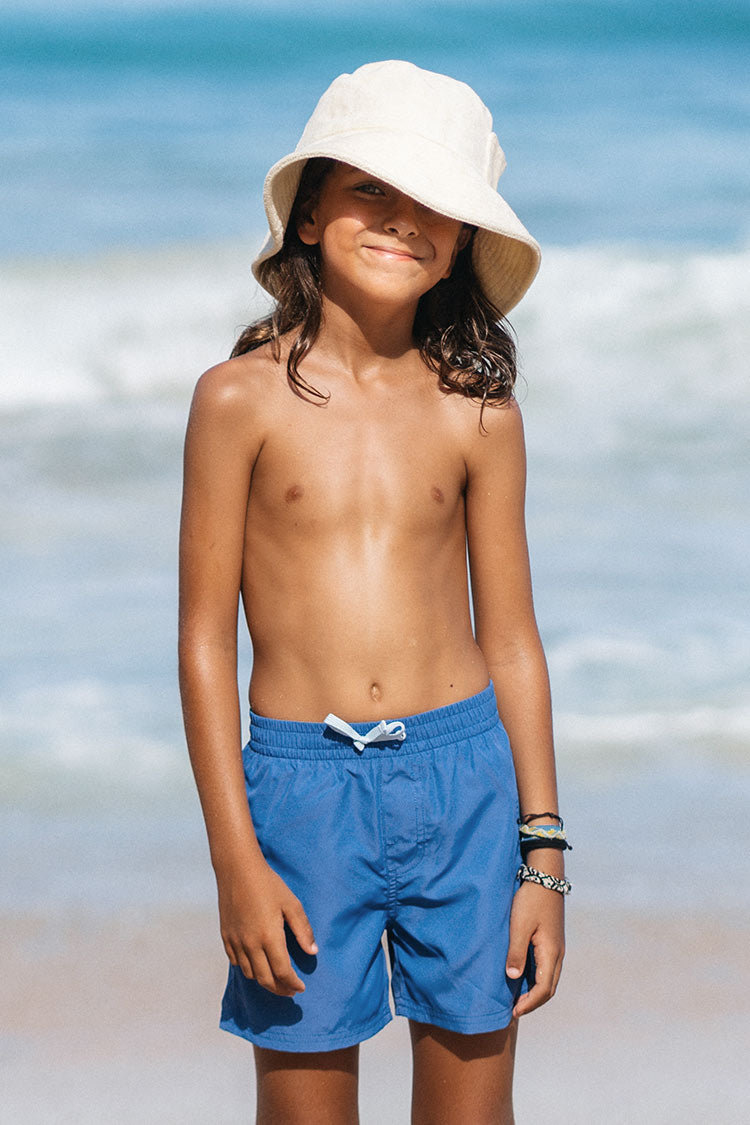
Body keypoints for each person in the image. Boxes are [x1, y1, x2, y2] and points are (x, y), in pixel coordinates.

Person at [178, 59, 570, 1125]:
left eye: (434, 205)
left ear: (463, 242)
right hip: (302, 797)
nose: (403, 221)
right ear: (308, 217)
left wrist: (543, 856)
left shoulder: (478, 411)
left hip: (466, 784)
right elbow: (205, 640)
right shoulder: (237, 401)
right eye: (370, 191)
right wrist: (235, 859)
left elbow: (514, 640)